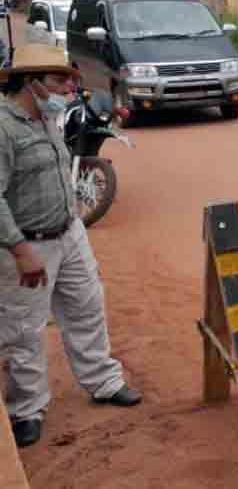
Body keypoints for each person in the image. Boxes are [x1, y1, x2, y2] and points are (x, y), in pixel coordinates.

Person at [0, 45, 142, 448]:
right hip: (26, 244)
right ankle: (27, 408)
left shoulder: (47, 116)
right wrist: (19, 250)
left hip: (69, 232)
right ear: (32, 82)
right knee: (22, 328)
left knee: (87, 306)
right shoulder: (3, 127)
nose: (67, 86)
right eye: (60, 79)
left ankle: (103, 381)